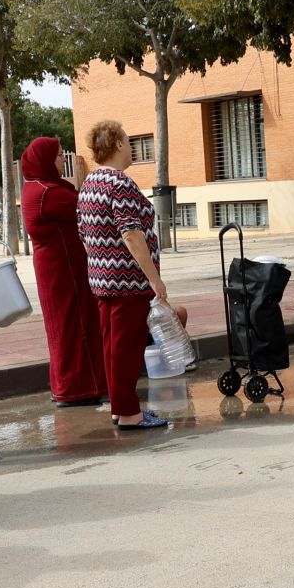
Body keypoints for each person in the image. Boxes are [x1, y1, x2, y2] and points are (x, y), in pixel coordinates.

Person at [77, 121, 183, 430]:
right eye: (127, 139)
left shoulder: (89, 183)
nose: (132, 146)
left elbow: (83, 232)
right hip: (128, 281)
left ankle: (120, 406)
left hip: (102, 279)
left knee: (112, 347)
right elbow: (131, 234)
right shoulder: (119, 183)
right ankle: (128, 413)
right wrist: (154, 278)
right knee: (127, 349)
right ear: (118, 144)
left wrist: (101, 262)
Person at [20, 136, 105, 408]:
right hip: (64, 270)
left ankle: (69, 385)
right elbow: (87, 209)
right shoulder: (48, 192)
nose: (61, 160)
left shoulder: (36, 186)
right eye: (58, 155)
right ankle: (76, 388)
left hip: (57, 268)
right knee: (74, 326)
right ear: (45, 159)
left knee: (64, 327)